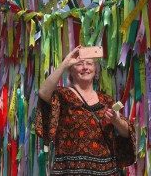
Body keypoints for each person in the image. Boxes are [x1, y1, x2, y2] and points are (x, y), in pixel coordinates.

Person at [35, 46, 136, 175]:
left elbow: (127, 132)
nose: (85, 68)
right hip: (69, 171)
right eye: (79, 64)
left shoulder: (106, 100)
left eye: (89, 64)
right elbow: (43, 93)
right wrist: (65, 63)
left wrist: (117, 121)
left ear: (95, 70)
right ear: (71, 70)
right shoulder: (63, 96)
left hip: (105, 171)